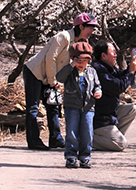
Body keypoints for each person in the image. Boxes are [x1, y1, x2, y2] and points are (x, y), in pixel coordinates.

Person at [23, 13, 97, 150]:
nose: (92, 31)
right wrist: (52, 81)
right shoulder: (63, 37)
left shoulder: (78, 43)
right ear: (81, 26)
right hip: (35, 72)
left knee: (53, 105)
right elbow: (51, 58)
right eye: (90, 27)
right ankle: (34, 142)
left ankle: (56, 139)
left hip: (49, 76)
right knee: (33, 108)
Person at [55, 42, 102, 168]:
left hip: (88, 106)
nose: (81, 64)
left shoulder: (92, 72)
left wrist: (98, 91)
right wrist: (71, 66)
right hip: (72, 106)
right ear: (72, 59)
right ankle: (71, 156)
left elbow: (97, 85)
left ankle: (85, 156)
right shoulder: (69, 70)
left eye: (85, 60)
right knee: (72, 131)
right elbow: (60, 78)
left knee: (87, 132)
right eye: (78, 60)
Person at [90, 40, 136, 151]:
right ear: (103, 55)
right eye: (113, 52)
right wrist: (130, 72)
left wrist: (132, 64)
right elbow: (117, 87)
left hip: (109, 114)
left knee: (131, 109)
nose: (116, 55)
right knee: (121, 144)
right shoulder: (98, 69)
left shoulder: (107, 67)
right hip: (100, 119)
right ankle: (86, 138)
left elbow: (121, 76)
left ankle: (109, 139)